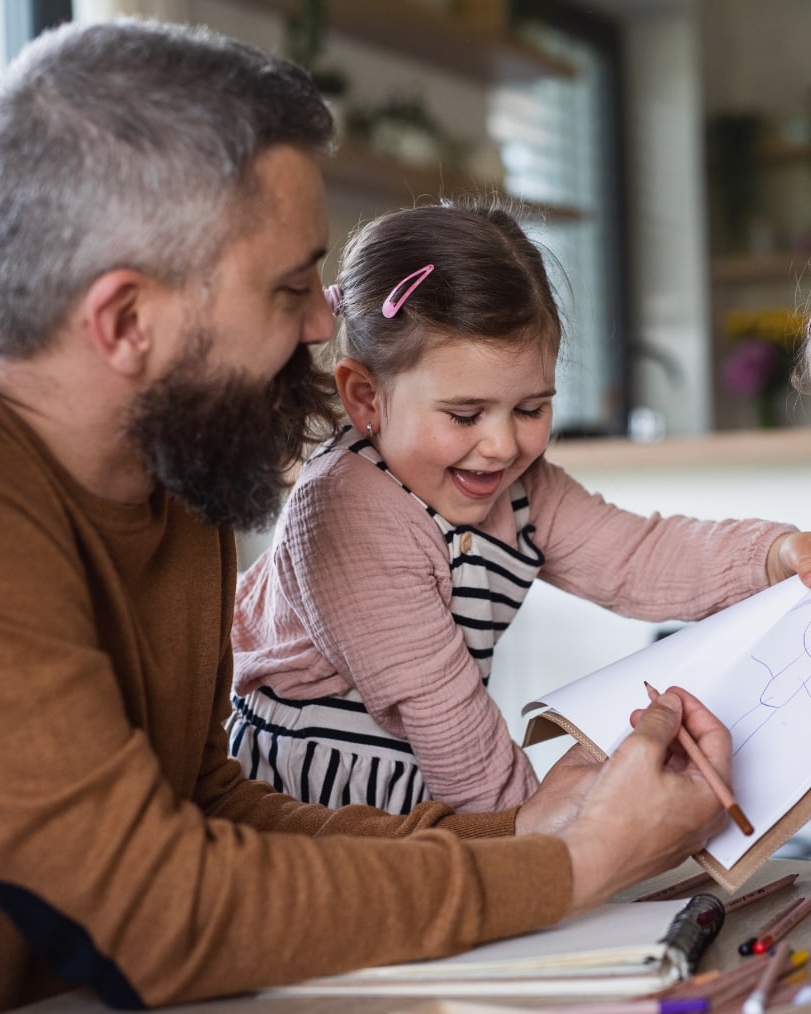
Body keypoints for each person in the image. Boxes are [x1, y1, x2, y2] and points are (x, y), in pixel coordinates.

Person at [0, 16, 749, 1014]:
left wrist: (524, 835)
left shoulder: (180, 480)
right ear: (127, 322)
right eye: (292, 285)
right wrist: (576, 862)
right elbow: (160, 909)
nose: (318, 321)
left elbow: (205, 811)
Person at [229, 198, 811, 815]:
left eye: (531, 409)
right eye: (464, 414)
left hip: (429, 787)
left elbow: (638, 556)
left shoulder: (523, 484)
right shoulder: (346, 510)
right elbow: (445, 717)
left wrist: (773, 555)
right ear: (366, 397)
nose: (503, 446)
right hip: (317, 801)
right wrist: (552, 843)